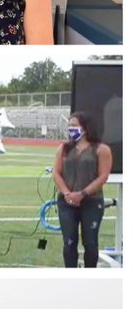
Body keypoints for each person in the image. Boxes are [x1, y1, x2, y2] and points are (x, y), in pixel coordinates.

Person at [52, 112, 112, 268]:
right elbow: (56, 172)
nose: (71, 128)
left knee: (90, 242)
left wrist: (83, 193)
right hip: (66, 202)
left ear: (85, 127)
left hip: (91, 201)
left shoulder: (101, 149)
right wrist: (67, 193)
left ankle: (89, 275)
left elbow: (103, 176)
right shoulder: (64, 148)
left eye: (74, 125)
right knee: (69, 241)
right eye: (69, 125)